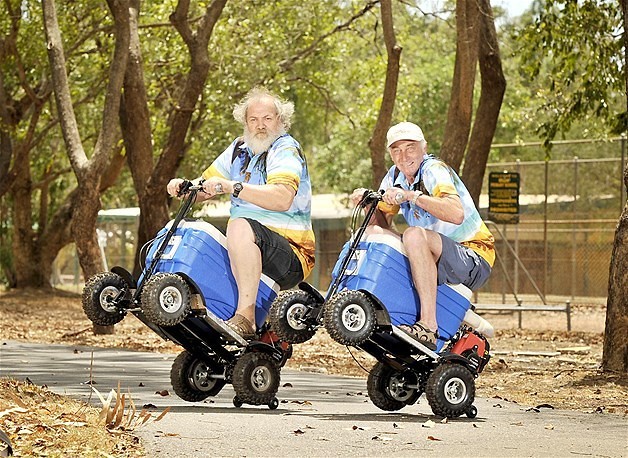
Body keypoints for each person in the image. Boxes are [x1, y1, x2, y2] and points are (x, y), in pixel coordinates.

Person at [167, 87, 315, 339]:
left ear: (280, 120)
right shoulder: (239, 148)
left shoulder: (285, 149)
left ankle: (246, 318)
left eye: (267, 118)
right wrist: (184, 186)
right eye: (253, 119)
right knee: (204, 238)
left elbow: (282, 198)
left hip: (291, 252)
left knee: (238, 225)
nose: (260, 125)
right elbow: (206, 186)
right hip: (250, 242)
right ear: (245, 122)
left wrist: (233, 187)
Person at [350, 121, 495, 349]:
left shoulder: (433, 169)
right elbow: (383, 227)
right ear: (390, 153)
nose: (403, 156)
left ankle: (428, 326)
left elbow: (456, 213)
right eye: (396, 150)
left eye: (410, 148)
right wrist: (367, 204)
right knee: (373, 232)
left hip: (473, 256)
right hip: (438, 256)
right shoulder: (393, 176)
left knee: (413, 235)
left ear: (423, 147)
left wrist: (411, 196)